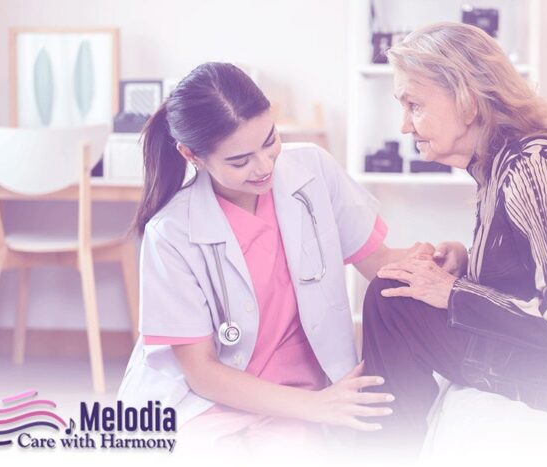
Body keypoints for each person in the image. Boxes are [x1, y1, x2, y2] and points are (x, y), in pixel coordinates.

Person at [116, 62, 466, 452]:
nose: (264, 167)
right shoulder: (172, 232)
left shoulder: (312, 170)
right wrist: (316, 406)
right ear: (191, 155)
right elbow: (202, 372)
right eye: (239, 160)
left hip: (299, 398)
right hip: (208, 402)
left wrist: (445, 257)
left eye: (269, 140)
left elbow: (379, 263)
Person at [360, 22, 547, 456]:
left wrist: (453, 293)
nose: (406, 125)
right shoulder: (504, 159)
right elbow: (536, 273)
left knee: (389, 298)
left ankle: (388, 451)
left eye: (415, 105)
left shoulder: (529, 169)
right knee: (398, 293)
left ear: (467, 101)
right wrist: (466, 263)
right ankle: (396, 442)